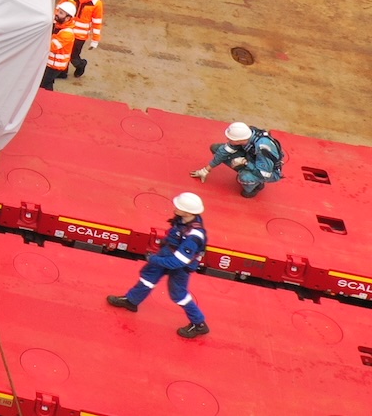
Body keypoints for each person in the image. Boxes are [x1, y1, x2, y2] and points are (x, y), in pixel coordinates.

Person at [108, 191, 210, 338]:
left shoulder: (194, 236)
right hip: (167, 253)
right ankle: (132, 301)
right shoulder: (184, 219)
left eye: (178, 206)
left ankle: (199, 323)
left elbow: (178, 262)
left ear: (188, 212)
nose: (175, 208)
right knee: (147, 278)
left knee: (179, 294)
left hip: (179, 266)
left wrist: (154, 259)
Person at [191, 121, 285, 198]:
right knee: (216, 148)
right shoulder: (246, 135)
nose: (228, 140)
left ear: (239, 140)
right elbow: (223, 151)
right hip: (252, 157)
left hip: (268, 171)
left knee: (244, 178)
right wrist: (206, 169)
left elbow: (264, 174)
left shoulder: (263, 148)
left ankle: (257, 185)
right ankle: (245, 171)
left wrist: (246, 163)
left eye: (230, 139)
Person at [69, 0, 104, 78]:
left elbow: (97, 22)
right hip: (66, 31)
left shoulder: (96, 4)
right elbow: (59, 10)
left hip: (80, 36)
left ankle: (81, 64)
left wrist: (95, 40)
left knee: (73, 57)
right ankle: (62, 72)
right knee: (63, 53)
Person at [39, 1, 74, 90]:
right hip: (51, 63)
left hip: (55, 66)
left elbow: (51, 47)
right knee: (47, 84)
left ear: (67, 18)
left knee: (42, 83)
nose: (57, 14)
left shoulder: (67, 34)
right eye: (58, 11)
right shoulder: (59, 25)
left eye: (61, 13)